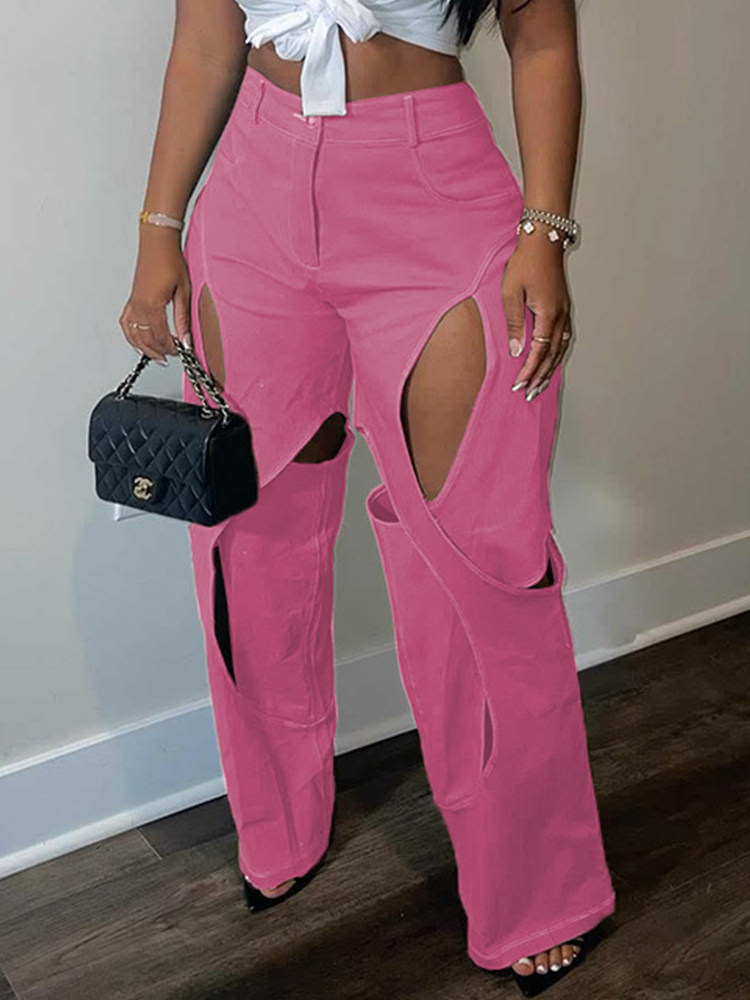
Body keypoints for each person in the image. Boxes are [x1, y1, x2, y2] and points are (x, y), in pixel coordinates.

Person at [119, 0, 616, 992]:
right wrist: (158, 229)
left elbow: (543, 37)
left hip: (437, 201)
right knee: (245, 537)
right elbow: (207, 41)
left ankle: (537, 889)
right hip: (251, 195)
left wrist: (545, 232)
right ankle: (279, 825)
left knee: (479, 558)